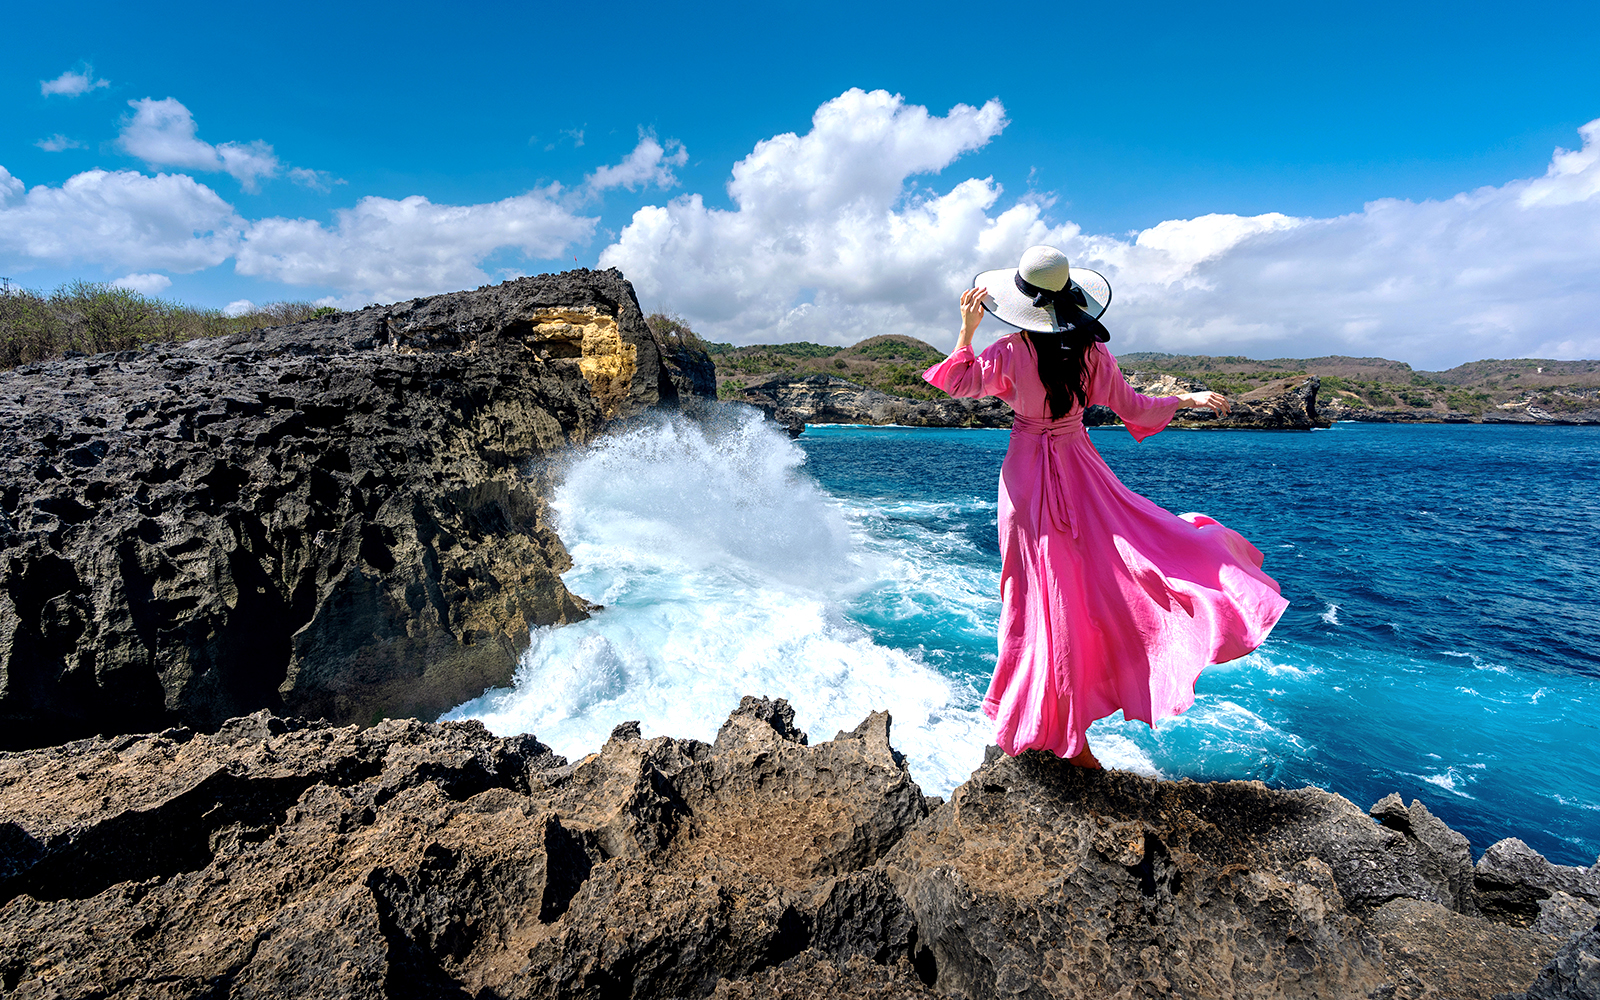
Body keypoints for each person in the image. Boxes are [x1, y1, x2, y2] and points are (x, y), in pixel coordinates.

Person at [923, 246, 1288, 769]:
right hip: (1081, 471)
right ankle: (1069, 725)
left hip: (1028, 480)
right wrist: (1188, 399)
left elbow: (958, 383)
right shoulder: (1093, 355)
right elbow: (1135, 407)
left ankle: (1048, 725)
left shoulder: (1007, 352)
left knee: (1035, 597)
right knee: (1115, 571)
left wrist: (965, 330)